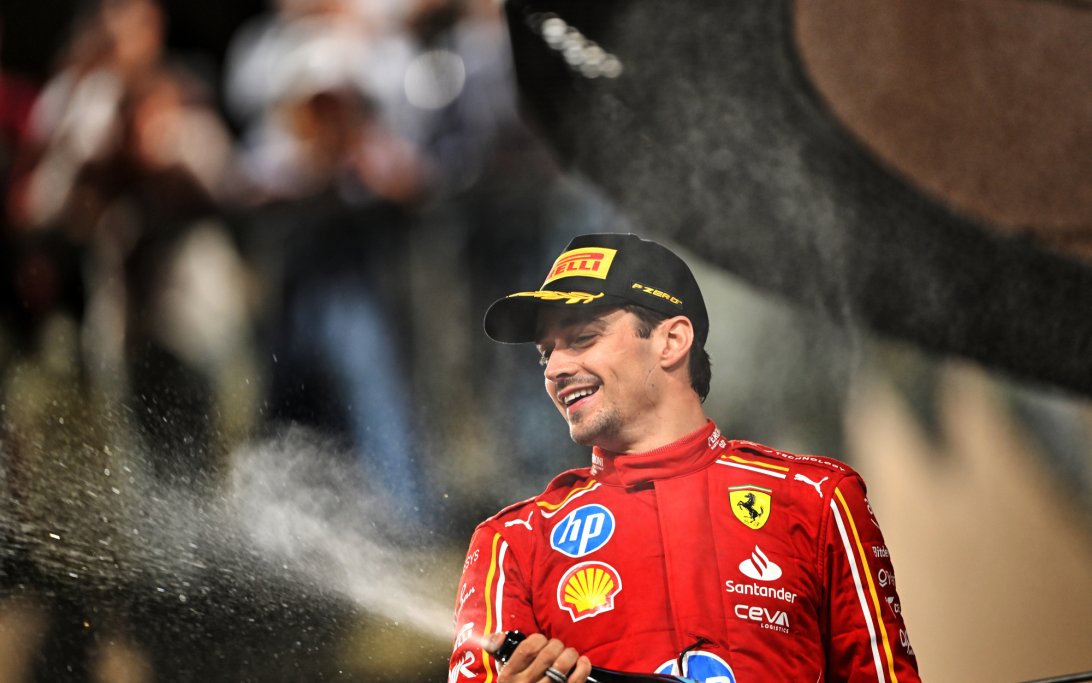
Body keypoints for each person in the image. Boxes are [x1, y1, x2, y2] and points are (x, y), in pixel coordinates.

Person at [449, 233, 919, 682]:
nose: (555, 368)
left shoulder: (819, 500)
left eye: (583, 338)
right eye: (545, 353)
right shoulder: (511, 544)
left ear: (672, 341)